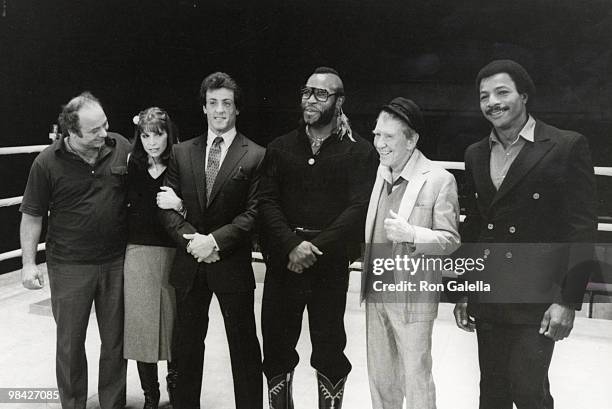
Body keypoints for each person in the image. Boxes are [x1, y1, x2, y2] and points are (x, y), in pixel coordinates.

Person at [453, 59, 597, 409]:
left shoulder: (565, 146)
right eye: (484, 96)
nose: (492, 102)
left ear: (524, 95)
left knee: (529, 391)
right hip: (490, 295)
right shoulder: (475, 153)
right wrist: (465, 289)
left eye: (502, 92)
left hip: (538, 297)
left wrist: (567, 300)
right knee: (493, 394)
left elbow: (581, 228)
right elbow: (474, 228)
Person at [258, 66, 378, 409]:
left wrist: (314, 247)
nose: (311, 99)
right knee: (277, 347)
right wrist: (291, 245)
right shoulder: (281, 147)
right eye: (307, 92)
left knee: (329, 348)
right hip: (284, 262)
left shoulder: (359, 152)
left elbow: (358, 209)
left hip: (329, 266)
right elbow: (267, 201)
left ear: (339, 101)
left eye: (321, 93)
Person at [159, 72, 264, 409]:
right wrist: (195, 243)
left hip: (230, 263)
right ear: (203, 107)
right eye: (213, 103)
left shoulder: (256, 155)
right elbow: (167, 207)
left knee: (244, 349)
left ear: (237, 109)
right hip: (190, 264)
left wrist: (214, 243)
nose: (220, 110)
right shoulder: (180, 152)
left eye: (227, 104)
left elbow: (253, 213)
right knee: (186, 349)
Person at [19, 91, 130, 409]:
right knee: (69, 343)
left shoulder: (121, 146)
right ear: (72, 132)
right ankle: (73, 404)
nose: (104, 133)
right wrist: (29, 263)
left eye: (105, 125)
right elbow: (32, 215)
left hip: (116, 261)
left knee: (115, 341)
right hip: (68, 265)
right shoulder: (46, 163)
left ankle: (113, 404)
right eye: (95, 130)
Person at [361, 97, 460, 409]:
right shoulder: (380, 172)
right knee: (380, 380)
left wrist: (413, 234)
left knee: (416, 379)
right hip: (376, 291)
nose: (379, 143)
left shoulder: (439, 179)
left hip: (412, 296)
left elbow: (451, 239)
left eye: (388, 137)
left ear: (412, 139)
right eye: (376, 134)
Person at [124, 107, 183, 409]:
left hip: (173, 252)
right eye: (145, 135)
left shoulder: (180, 162)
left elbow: (197, 207)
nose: (152, 142)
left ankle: (176, 391)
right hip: (137, 253)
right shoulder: (132, 163)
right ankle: (151, 394)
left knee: (174, 326)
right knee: (140, 326)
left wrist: (180, 204)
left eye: (157, 134)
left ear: (168, 134)